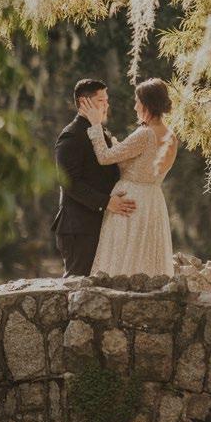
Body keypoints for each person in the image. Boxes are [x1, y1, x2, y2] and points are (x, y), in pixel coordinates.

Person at [80, 78, 178, 277]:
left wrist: (96, 125)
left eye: (137, 102)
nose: (135, 107)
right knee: (146, 259)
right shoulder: (171, 137)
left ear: (147, 104)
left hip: (130, 202)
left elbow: (104, 157)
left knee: (123, 260)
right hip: (153, 202)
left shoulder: (145, 134)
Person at [52, 79, 137, 277]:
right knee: (78, 285)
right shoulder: (71, 135)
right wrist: (106, 202)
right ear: (84, 102)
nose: (106, 105)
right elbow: (69, 182)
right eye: (101, 101)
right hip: (79, 228)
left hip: (96, 225)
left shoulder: (98, 130)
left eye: (107, 100)